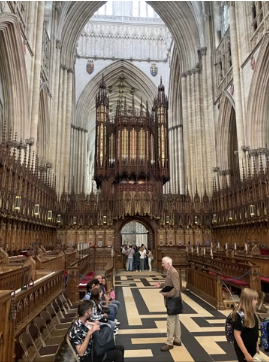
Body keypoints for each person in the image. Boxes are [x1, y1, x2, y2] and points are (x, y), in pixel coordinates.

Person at [154, 256, 182, 351]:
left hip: (173, 300)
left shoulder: (173, 272)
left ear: (168, 264)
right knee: (176, 321)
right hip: (174, 300)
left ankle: (169, 343)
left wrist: (167, 294)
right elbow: (169, 284)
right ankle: (177, 340)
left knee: (170, 322)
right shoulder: (169, 271)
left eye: (163, 263)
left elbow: (176, 288)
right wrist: (161, 285)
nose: (162, 265)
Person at [233, 288, 259, 362]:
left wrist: (256, 346)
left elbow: (255, 331)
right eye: (254, 299)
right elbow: (237, 335)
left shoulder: (253, 313)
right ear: (248, 301)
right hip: (243, 348)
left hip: (252, 346)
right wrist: (246, 353)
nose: (257, 302)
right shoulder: (239, 315)